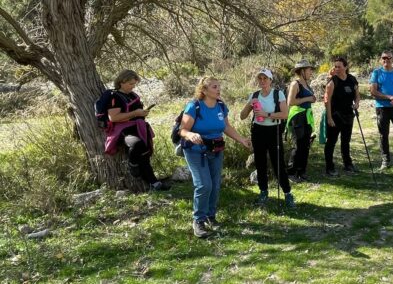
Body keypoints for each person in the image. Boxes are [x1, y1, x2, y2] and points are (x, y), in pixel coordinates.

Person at [178, 76, 251, 238]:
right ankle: (198, 220)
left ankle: (211, 216)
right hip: (196, 151)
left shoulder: (220, 106)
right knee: (204, 185)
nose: (218, 89)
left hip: (216, 150)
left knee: (215, 185)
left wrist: (242, 140)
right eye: (214, 87)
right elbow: (182, 130)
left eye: (219, 86)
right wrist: (190, 135)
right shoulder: (194, 106)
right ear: (203, 90)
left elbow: (226, 126)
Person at [105, 69, 170, 191]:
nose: (132, 86)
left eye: (134, 84)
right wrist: (135, 113)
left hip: (138, 127)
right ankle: (132, 164)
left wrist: (142, 113)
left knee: (144, 154)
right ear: (121, 82)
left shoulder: (132, 95)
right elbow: (113, 117)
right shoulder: (115, 97)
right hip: (123, 130)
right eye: (130, 84)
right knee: (137, 144)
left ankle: (155, 184)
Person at [240, 68, 295, 208]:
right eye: (260, 78)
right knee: (260, 162)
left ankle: (287, 193)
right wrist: (249, 104)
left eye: (265, 78)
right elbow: (242, 116)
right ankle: (263, 191)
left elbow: (284, 114)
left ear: (271, 80)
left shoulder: (278, 94)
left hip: (274, 130)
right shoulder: (254, 95)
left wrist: (266, 114)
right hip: (258, 131)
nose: (263, 81)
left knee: (278, 163)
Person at [324, 57, 360, 176]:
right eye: (335, 66)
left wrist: (357, 104)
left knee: (346, 141)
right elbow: (326, 101)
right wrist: (329, 118)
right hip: (335, 116)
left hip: (348, 115)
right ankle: (329, 167)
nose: (337, 69)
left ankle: (348, 164)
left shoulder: (352, 79)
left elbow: (357, 95)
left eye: (339, 66)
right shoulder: (333, 82)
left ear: (346, 67)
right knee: (331, 142)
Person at [287, 59, 317, 182]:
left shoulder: (306, 84)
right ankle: (291, 172)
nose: (311, 72)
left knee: (306, 145)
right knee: (298, 145)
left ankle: (302, 171)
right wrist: (308, 99)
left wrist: (311, 99)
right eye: (309, 69)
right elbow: (291, 102)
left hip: (307, 116)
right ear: (302, 71)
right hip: (297, 117)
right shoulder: (296, 84)